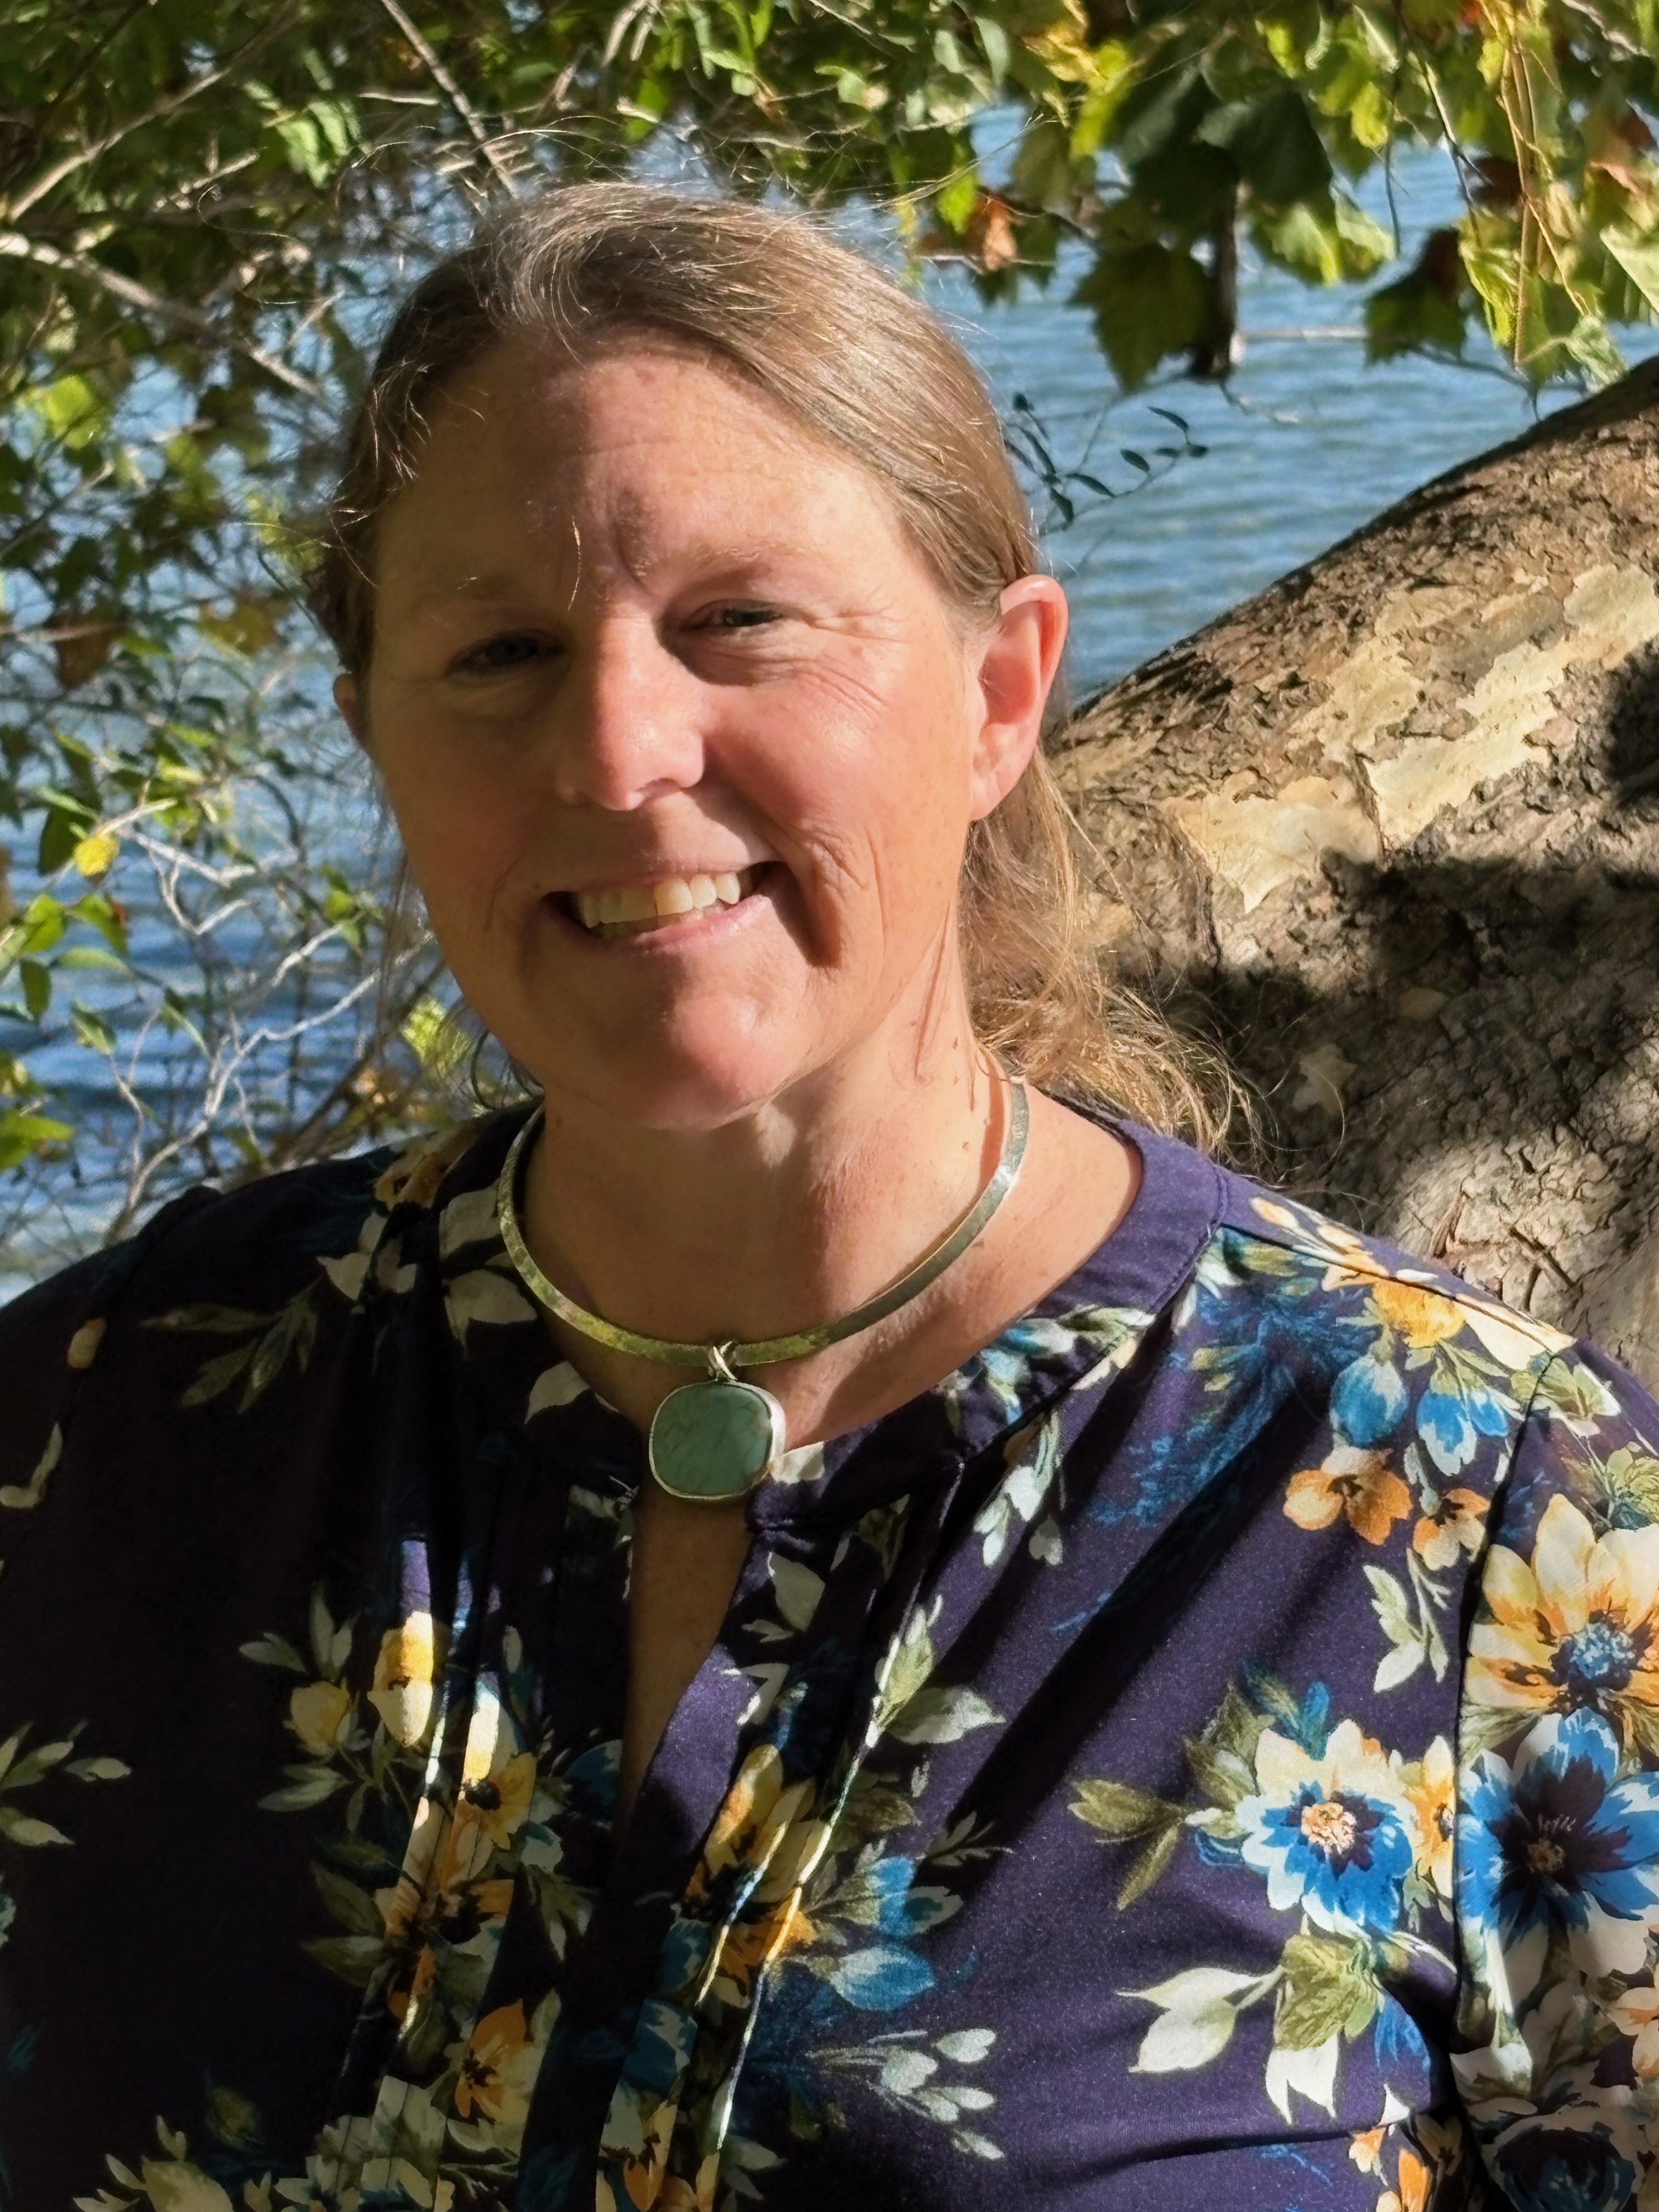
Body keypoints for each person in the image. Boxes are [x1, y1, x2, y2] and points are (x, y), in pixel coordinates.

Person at [0, 182, 1654, 2212]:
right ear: (372, 733)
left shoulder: (1488, 1514)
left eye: (740, 622)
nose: (617, 748)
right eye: (499, 650)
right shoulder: (106, 1428)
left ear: (996, 695)